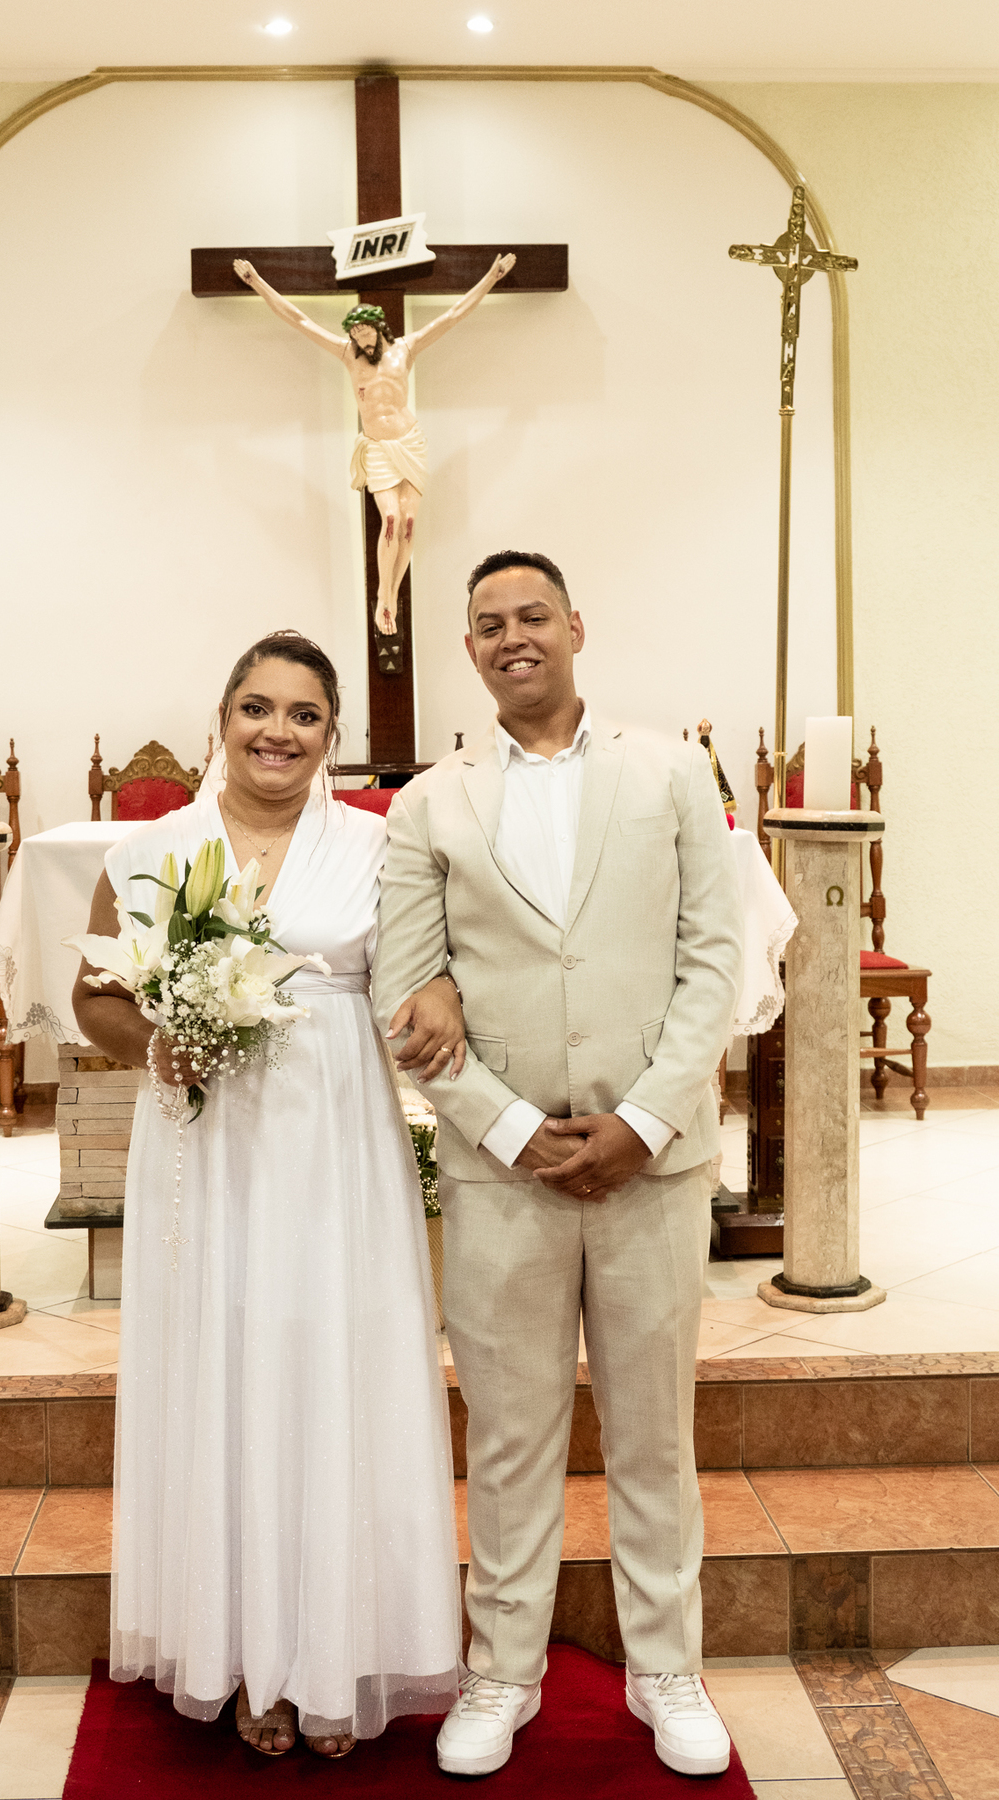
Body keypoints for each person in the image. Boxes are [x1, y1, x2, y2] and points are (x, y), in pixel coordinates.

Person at [371, 552, 744, 1780]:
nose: (512, 637)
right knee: (514, 1433)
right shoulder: (431, 801)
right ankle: (502, 1673)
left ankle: (666, 1668)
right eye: (489, 625)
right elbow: (406, 992)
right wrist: (511, 1127)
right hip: (502, 1172)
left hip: (653, 1162)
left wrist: (641, 1118)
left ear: (576, 626)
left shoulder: (672, 772)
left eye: (533, 615)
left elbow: (714, 966)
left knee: (653, 1431)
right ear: (469, 651)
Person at [72, 631, 467, 1760]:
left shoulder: (379, 846)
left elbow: (425, 963)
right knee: (221, 1368)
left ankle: (339, 1650)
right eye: (256, 707)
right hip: (205, 1145)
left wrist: (436, 988)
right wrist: (157, 1041)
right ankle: (241, 1653)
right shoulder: (151, 850)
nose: (276, 732)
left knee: (332, 1365)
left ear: (332, 736)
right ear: (221, 717)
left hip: (333, 1141)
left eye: (303, 714)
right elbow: (91, 1001)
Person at [232, 254, 516, 637]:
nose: (360, 340)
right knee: (392, 521)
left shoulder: (406, 350)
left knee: (410, 523)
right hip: (379, 449)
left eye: (365, 332)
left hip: (409, 443)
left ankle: (393, 593)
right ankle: (384, 597)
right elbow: (298, 319)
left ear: (378, 327)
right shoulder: (349, 356)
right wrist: (255, 281)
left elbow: (452, 316)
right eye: (355, 335)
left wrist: (491, 276)